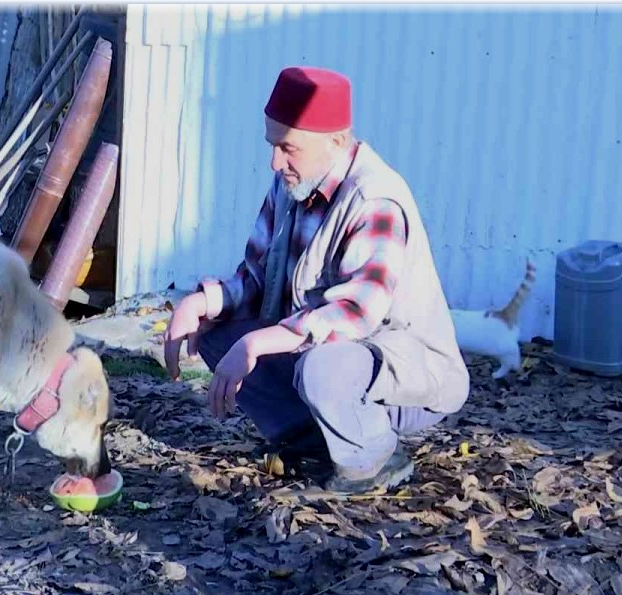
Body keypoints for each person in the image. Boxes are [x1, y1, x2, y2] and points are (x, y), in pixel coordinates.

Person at [163, 66, 469, 494]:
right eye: (272, 145)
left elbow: (354, 313)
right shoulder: (291, 183)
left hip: (403, 379)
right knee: (217, 333)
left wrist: (256, 343)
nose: (275, 162)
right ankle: (312, 442)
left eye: (288, 148)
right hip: (326, 362)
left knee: (321, 368)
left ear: (336, 142)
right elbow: (257, 277)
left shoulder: (375, 199)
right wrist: (199, 304)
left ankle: (374, 458)